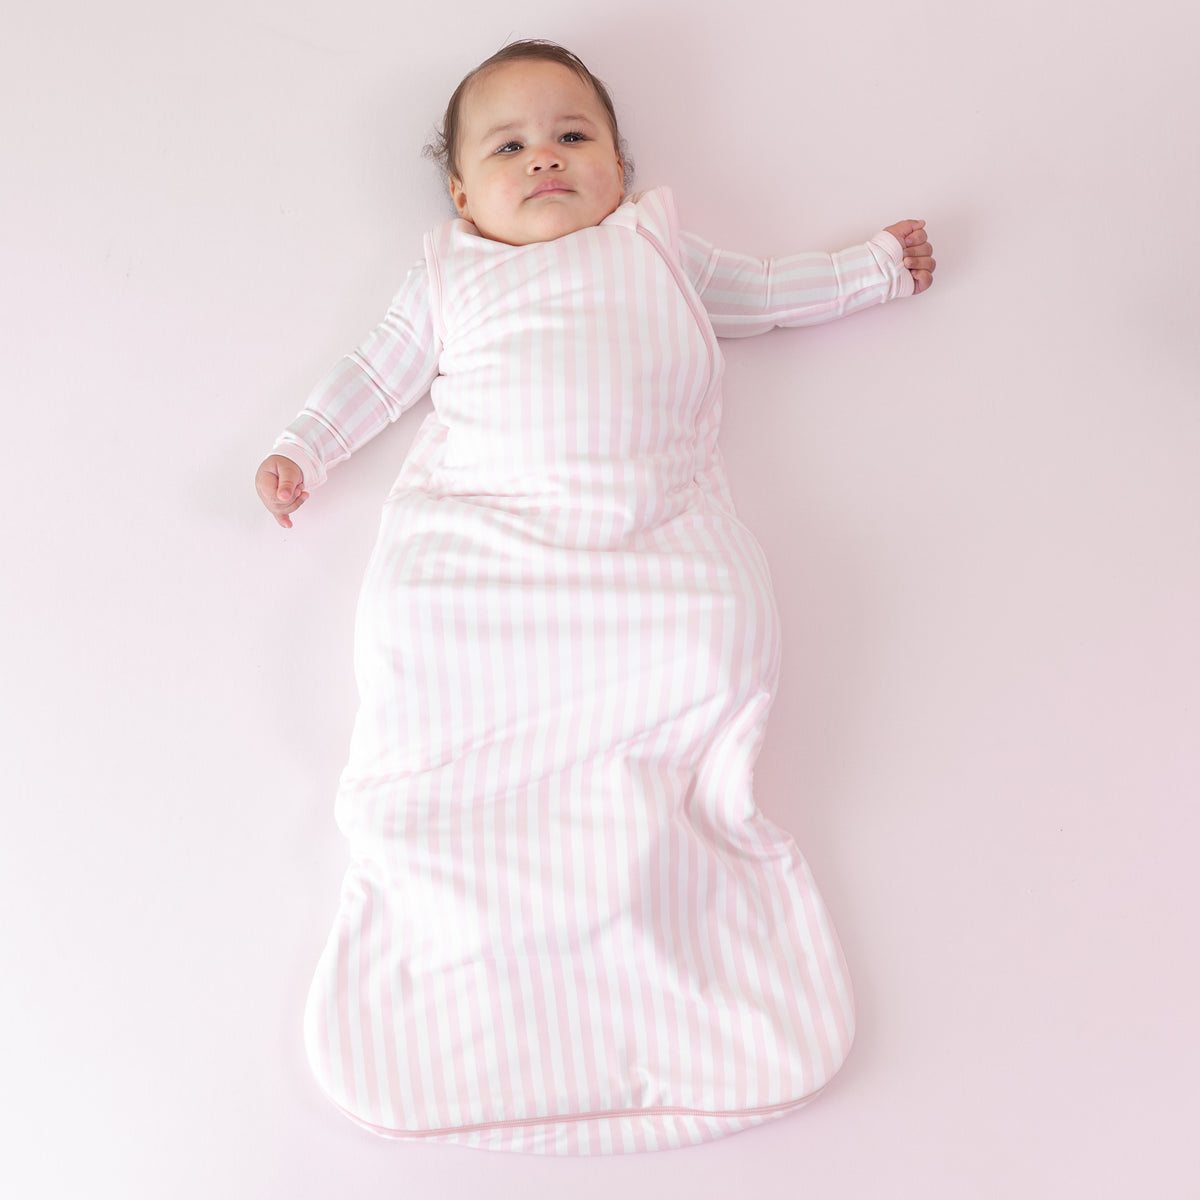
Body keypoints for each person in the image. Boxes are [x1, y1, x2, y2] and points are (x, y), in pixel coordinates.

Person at [255, 39, 935, 1156]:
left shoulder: (655, 250)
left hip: (653, 550)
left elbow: (765, 295)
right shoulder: (449, 274)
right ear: (463, 194)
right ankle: (453, 923)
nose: (547, 159)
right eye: (510, 145)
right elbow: (375, 375)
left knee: (709, 647)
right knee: (424, 669)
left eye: (575, 136)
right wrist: (301, 452)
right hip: (482, 560)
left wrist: (869, 268)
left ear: (621, 167)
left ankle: (682, 893)